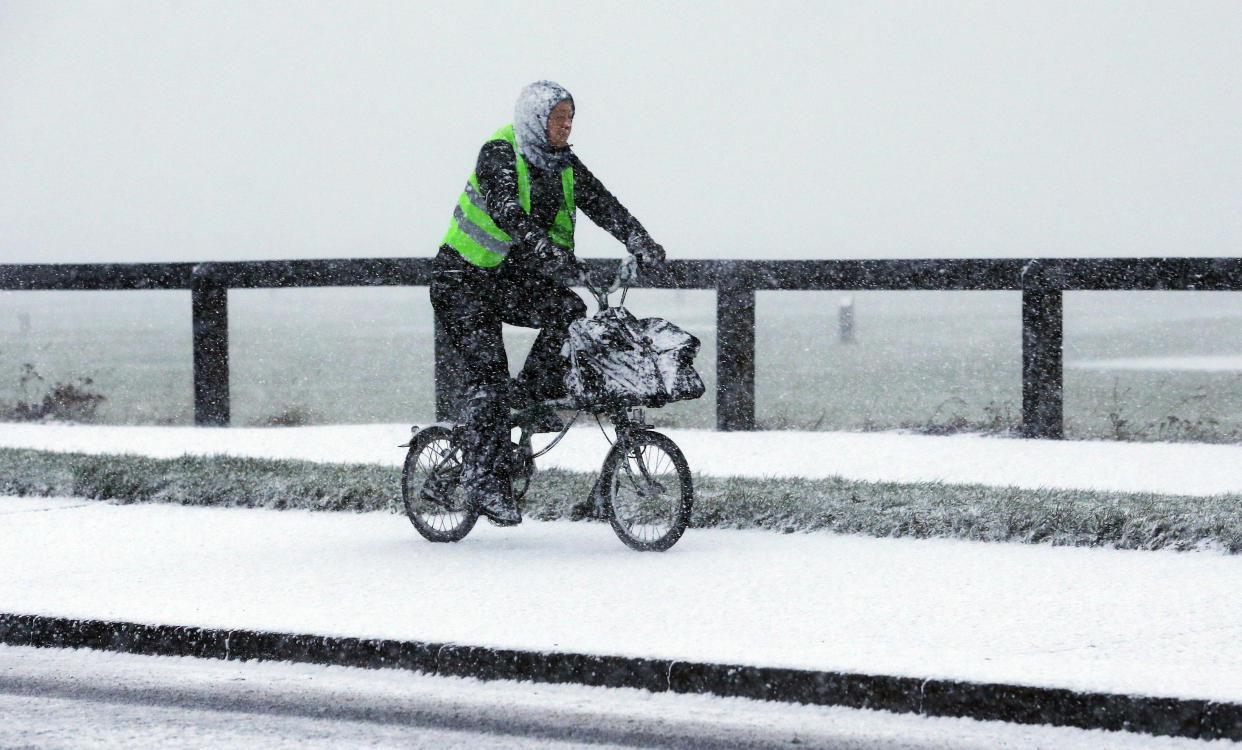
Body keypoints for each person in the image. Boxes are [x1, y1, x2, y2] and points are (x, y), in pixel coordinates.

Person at [430, 80, 666, 526]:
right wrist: (544, 250)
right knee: (489, 374)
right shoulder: (500, 152)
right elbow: (506, 210)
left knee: (569, 311)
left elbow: (604, 204)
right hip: (462, 281)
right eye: (558, 118)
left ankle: (531, 394)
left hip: (508, 280)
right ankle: (485, 480)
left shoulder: (563, 164)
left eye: (570, 118)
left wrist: (641, 240)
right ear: (535, 120)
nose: (566, 126)